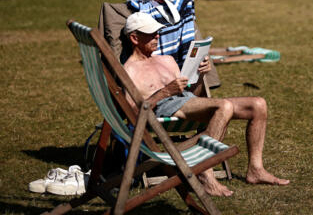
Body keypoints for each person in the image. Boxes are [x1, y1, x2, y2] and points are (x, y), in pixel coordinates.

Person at [122, 13, 289, 197]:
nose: (157, 36)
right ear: (134, 38)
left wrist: (200, 75)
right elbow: (133, 114)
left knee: (258, 104)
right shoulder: (129, 71)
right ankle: (204, 172)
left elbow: (193, 95)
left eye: (157, 32)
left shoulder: (167, 60)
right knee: (223, 106)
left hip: (186, 102)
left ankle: (255, 170)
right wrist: (165, 92)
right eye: (151, 33)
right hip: (164, 108)